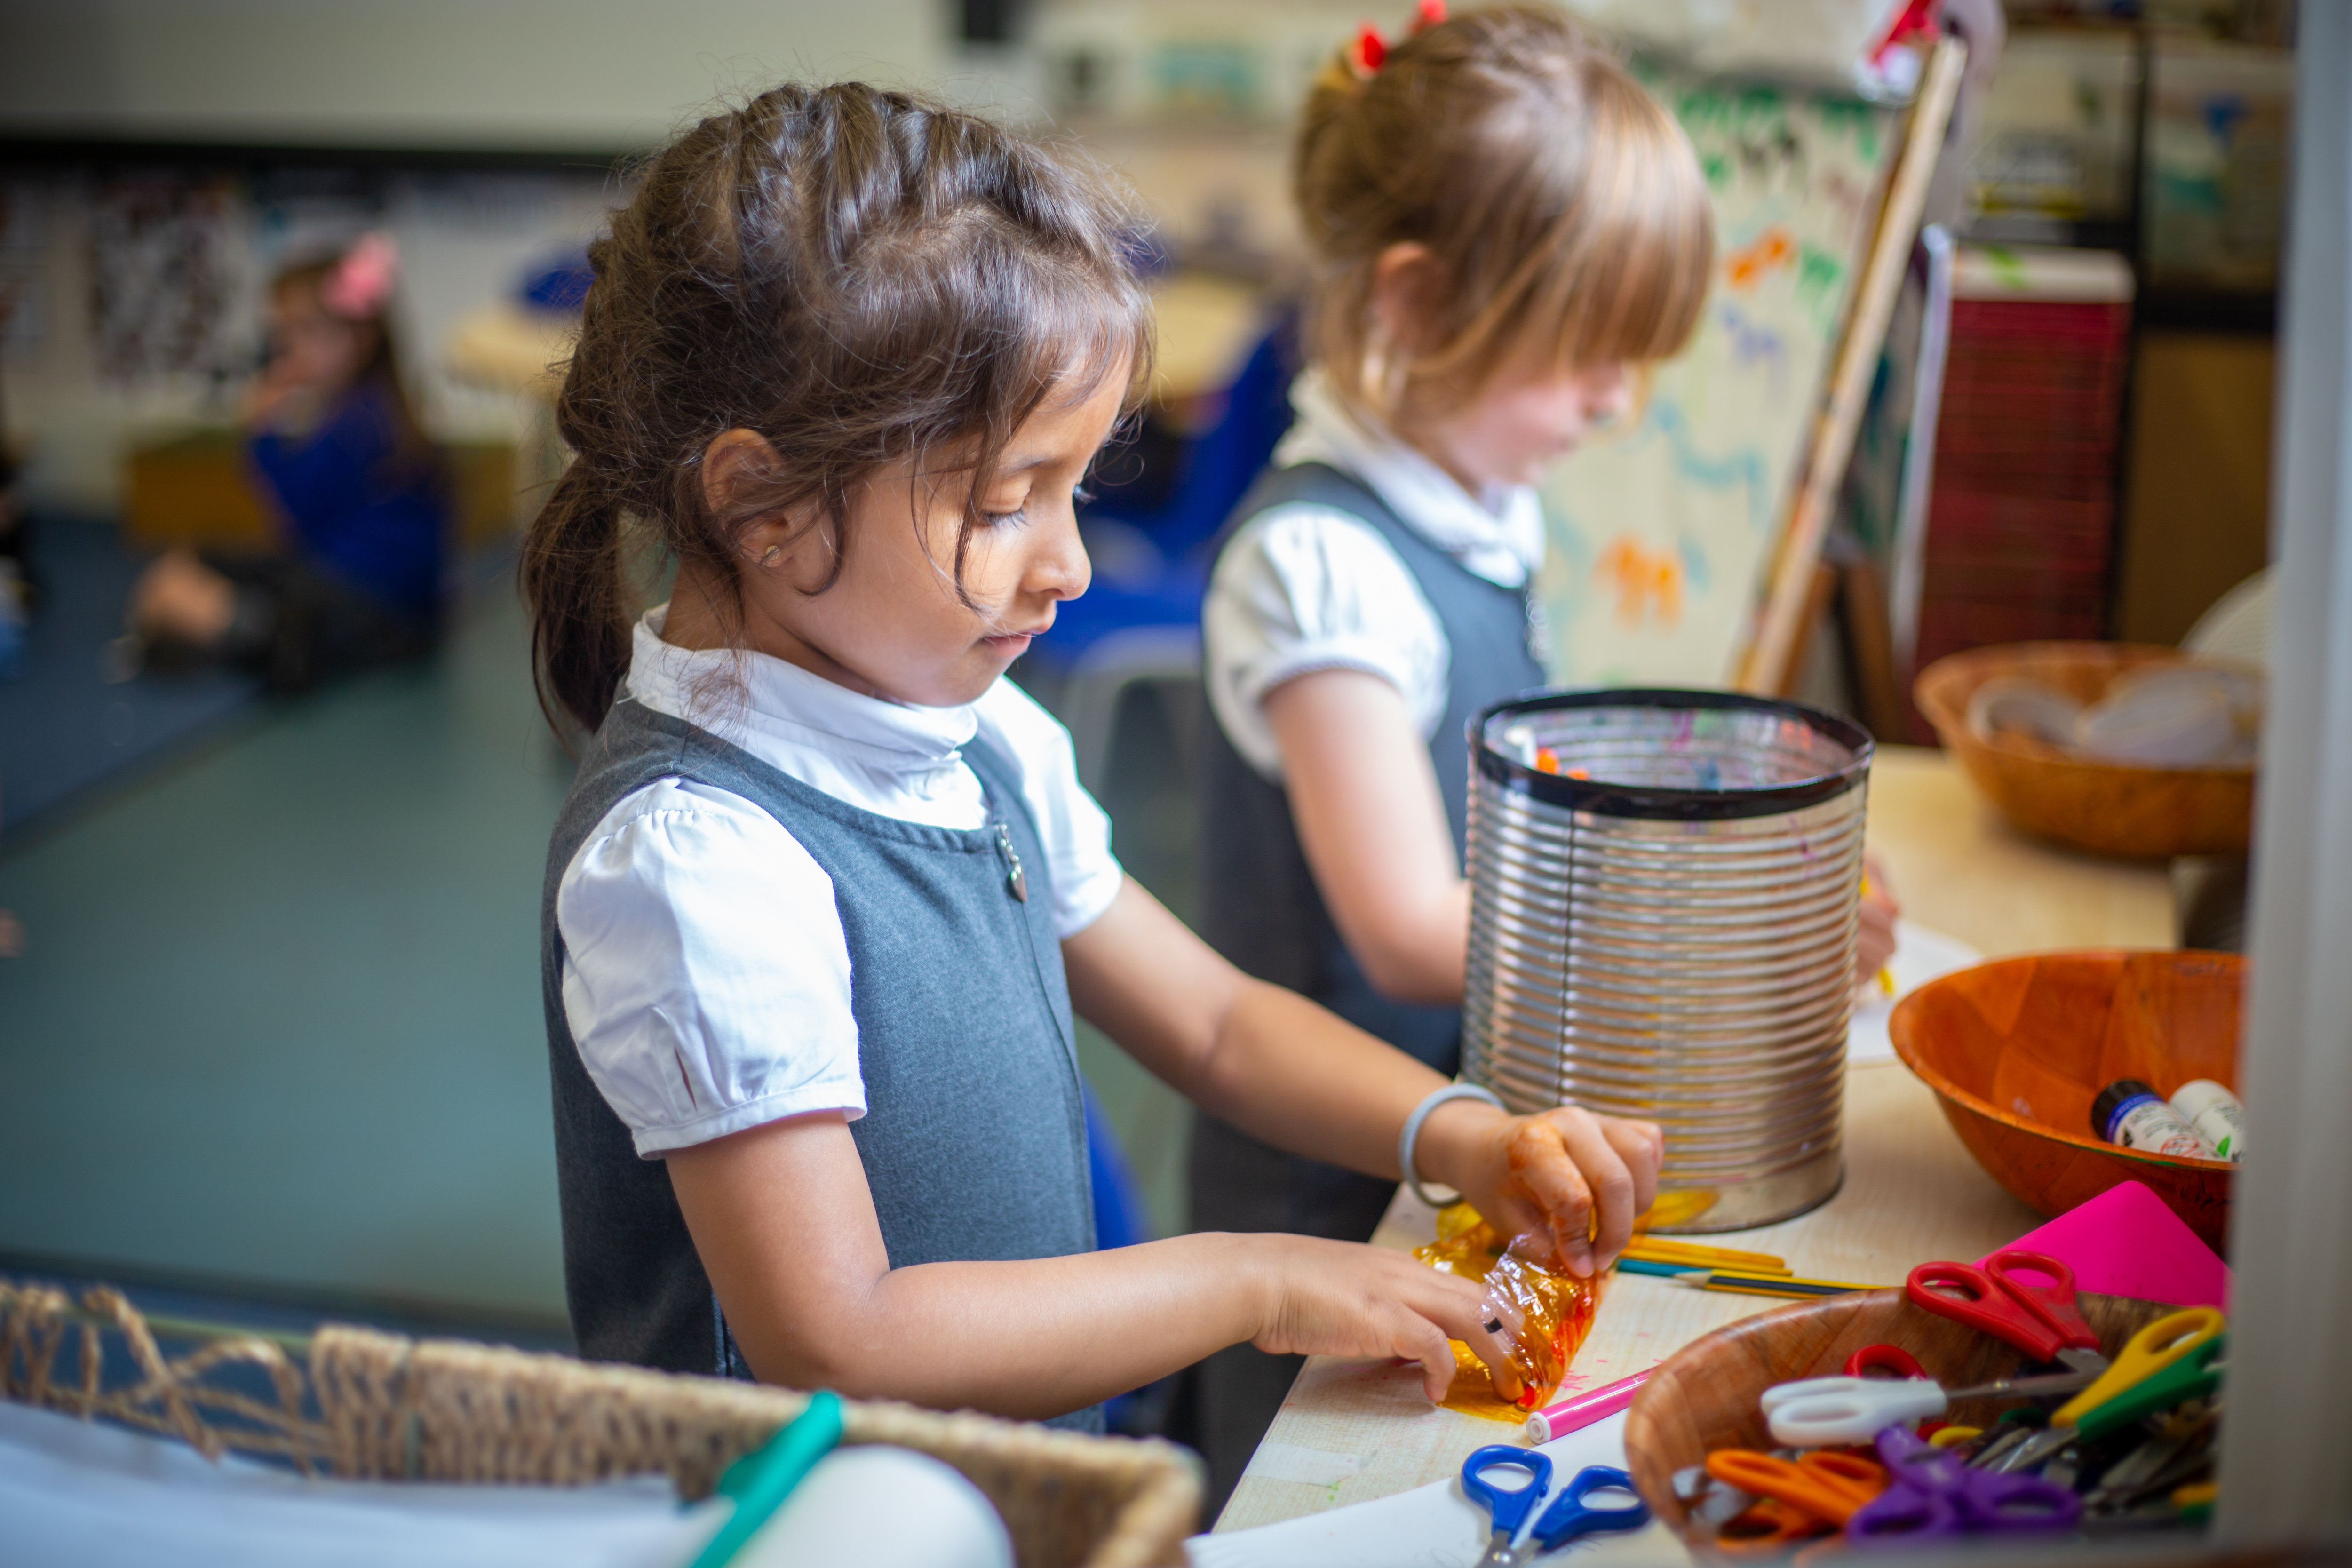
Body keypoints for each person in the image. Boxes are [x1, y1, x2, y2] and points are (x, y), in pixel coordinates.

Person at [520, 80, 1664, 1437]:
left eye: (1074, 490)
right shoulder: (696, 863)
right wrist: (1256, 1275)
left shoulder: (974, 728)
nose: (1065, 565)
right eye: (1005, 503)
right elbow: (842, 1333)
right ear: (758, 503)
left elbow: (1219, 1024)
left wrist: (1465, 1134)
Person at [1188, 3, 1899, 1492]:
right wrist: (1737, 941)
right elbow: (1400, 929)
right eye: (1586, 356)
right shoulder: (1318, 566)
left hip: (1456, 1167)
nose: (1615, 402)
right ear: (1418, 304)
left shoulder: (1472, 505)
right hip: (1334, 1205)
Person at [127, 234, 446, 692]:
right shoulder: (377, 409)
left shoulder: (359, 423)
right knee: (198, 565)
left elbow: (298, 521)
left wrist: (264, 435)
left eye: (306, 332)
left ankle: (245, 631)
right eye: (282, 334)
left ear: (359, 339)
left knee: (189, 593)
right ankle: (224, 617)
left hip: (372, 610)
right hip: (377, 598)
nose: (288, 350)